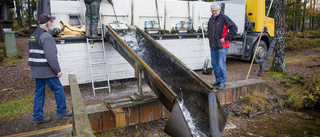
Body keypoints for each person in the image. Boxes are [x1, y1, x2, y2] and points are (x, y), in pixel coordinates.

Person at [29, 13, 72, 125]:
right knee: (58, 89)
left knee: (39, 93)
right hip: (46, 71)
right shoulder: (47, 36)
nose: (52, 23)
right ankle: (62, 112)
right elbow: (51, 57)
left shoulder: (33, 35)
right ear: (48, 23)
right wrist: (58, 70)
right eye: (51, 21)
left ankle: (37, 117)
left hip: (36, 71)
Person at [207, 3, 238, 90]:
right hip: (213, 46)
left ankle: (223, 82)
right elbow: (209, 30)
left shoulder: (224, 18)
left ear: (219, 10)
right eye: (212, 11)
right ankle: (218, 80)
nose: (214, 12)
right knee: (214, 64)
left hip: (222, 46)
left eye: (215, 10)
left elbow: (234, 28)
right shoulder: (211, 19)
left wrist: (226, 38)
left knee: (221, 65)